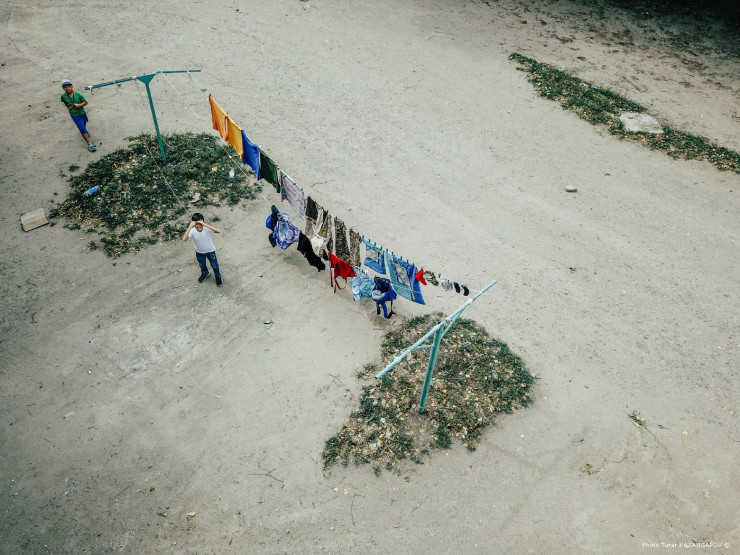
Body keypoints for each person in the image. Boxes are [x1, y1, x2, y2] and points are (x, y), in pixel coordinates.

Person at [182, 213, 223, 287]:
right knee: (202, 265)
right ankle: (205, 273)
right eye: (196, 224)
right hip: (199, 253)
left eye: (200, 223)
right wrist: (190, 226)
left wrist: (205, 224)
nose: (198, 226)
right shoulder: (192, 231)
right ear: (193, 223)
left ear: (203, 222)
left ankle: (218, 276)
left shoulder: (207, 228)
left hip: (210, 251)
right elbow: (184, 239)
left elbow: (218, 231)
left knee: (215, 266)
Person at [60, 79, 96, 152]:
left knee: (84, 123)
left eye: (68, 86)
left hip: (82, 113)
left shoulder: (78, 94)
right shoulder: (63, 96)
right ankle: (89, 144)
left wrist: (79, 105)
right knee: (81, 128)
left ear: (72, 86)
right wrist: (70, 109)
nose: (67, 88)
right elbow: (66, 103)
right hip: (74, 115)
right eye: (65, 87)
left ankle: (85, 131)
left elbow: (85, 102)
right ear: (63, 88)